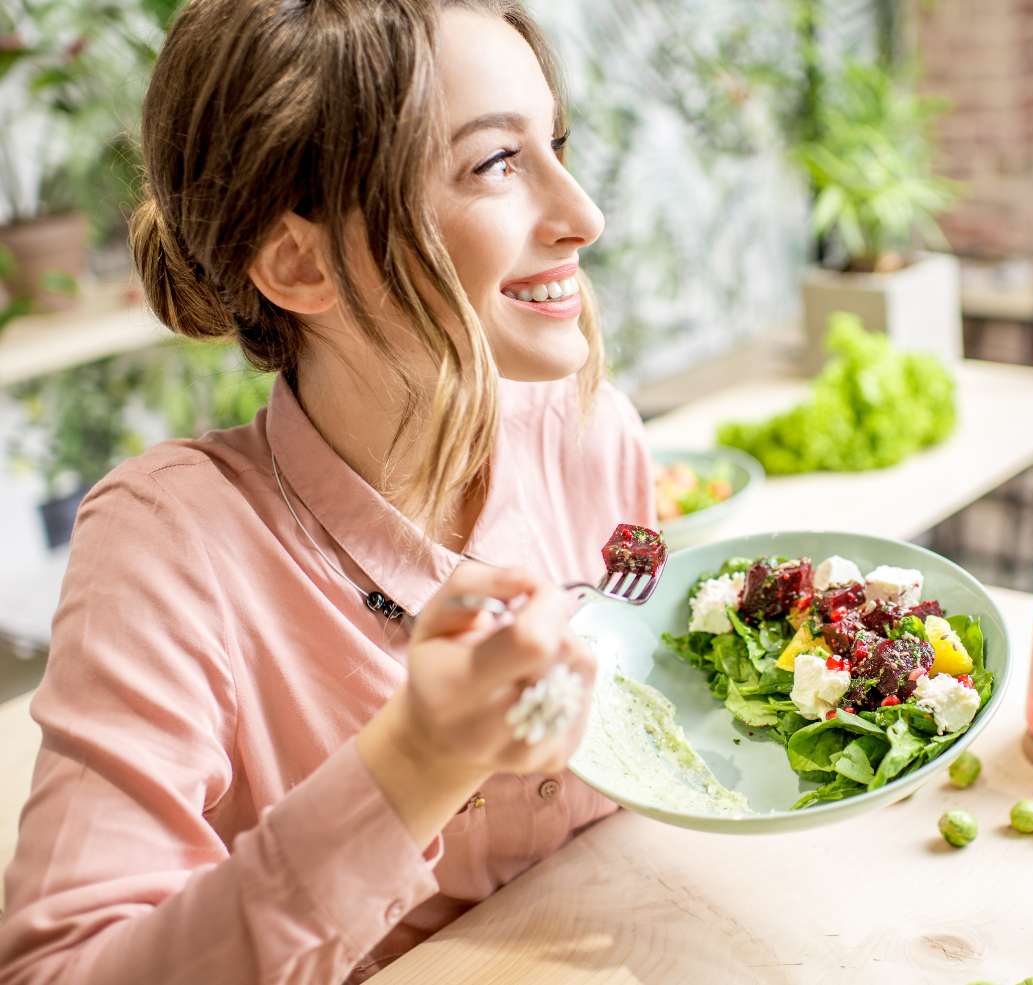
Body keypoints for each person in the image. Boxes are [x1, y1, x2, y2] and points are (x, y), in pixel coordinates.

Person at [0, 1, 655, 982]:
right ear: (299, 261)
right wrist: (416, 762)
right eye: (496, 164)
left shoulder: (592, 432)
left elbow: (647, 669)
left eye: (552, 143)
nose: (582, 215)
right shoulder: (169, 547)